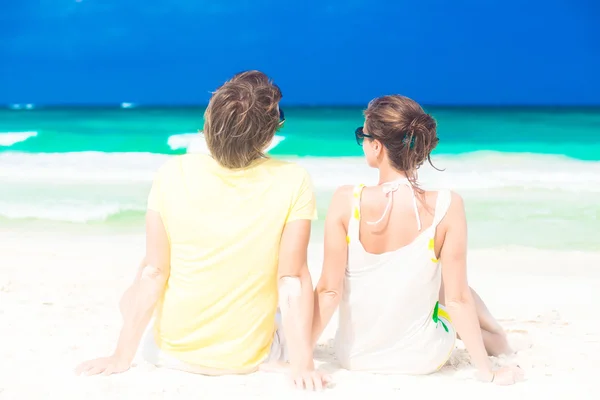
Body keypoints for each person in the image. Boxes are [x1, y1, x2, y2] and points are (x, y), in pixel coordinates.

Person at [76, 71, 329, 391]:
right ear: (267, 134)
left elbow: (155, 272)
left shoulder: (172, 173)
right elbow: (291, 279)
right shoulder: (294, 180)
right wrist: (302, 365)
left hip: (167, 353)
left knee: (141, 276)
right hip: (246, 359)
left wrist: (120, 357)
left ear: (210, 123)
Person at [311, 95, 524, 385]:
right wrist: (486, 372)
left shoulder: (345, 200)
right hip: (423, 358)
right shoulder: (447, 205)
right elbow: (458, 300)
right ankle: (498, 338)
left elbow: (328, 291)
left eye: (363, 135)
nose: (362, 142)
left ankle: (497, 337)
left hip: (355, 357)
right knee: (447, 283)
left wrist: (300, 355)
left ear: (377, 145)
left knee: (433, 278)